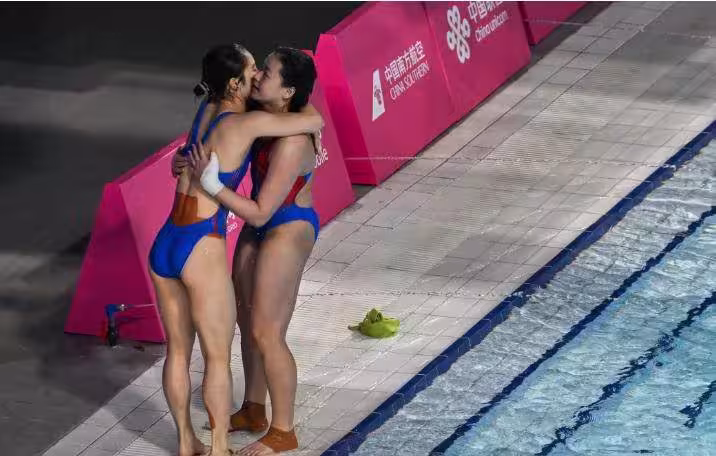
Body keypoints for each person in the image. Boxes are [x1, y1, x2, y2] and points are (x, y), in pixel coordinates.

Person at [149, 43, 323, 456]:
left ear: (287, 90)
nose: (258, 75)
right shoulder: (251, 118)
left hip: (251, 227)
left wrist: (202, 177)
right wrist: (199, 173)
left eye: (265, 71)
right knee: (229, 340)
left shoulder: (217, 111)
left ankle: (277, 432)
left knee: (260, 332)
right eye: (254, 69)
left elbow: (262, 210)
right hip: (205, 239)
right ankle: (238, 424)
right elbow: (313, 117)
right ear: (234, 83)